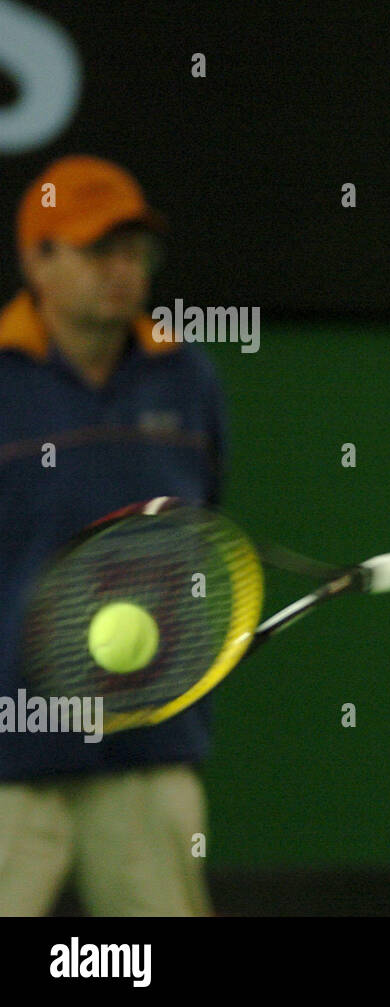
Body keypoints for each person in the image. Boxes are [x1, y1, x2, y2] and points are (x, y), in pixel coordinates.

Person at [0, 155, 225, 915]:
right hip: (9, 752)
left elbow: (201, 527)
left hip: (147, 748)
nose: (123, 269)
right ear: (37, 258)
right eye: (100, 250)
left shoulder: (187, 379)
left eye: (135, 251)